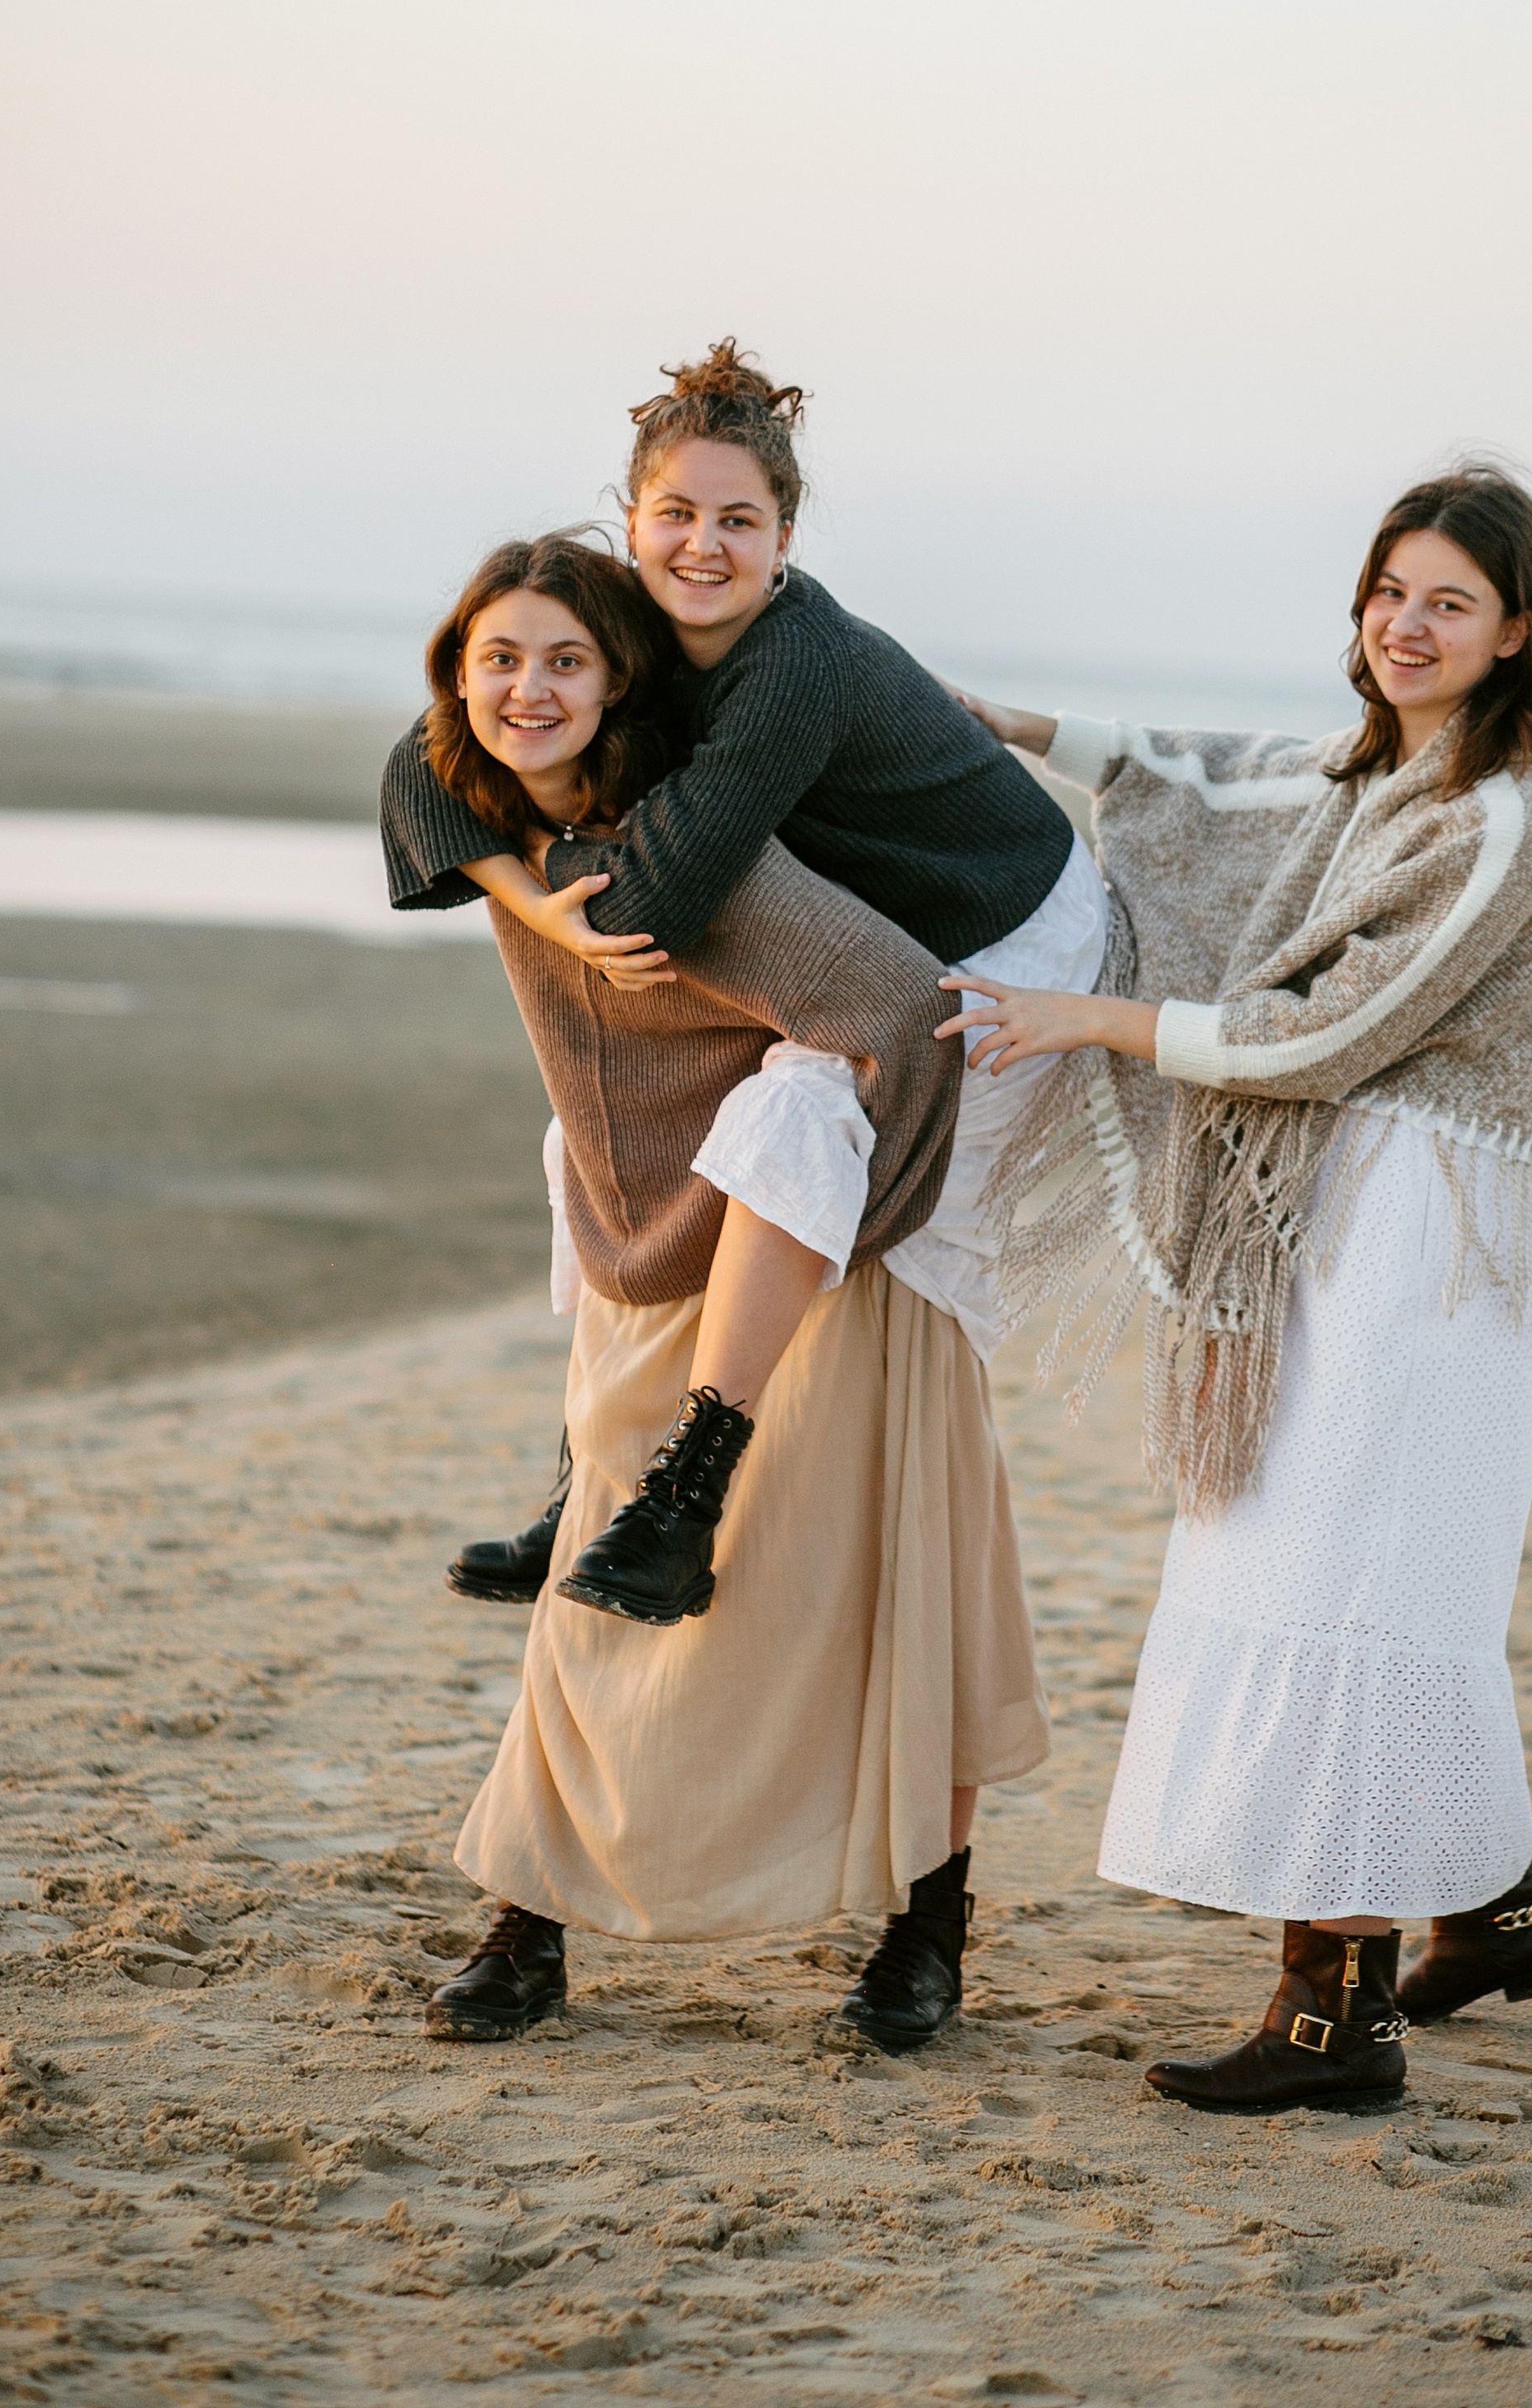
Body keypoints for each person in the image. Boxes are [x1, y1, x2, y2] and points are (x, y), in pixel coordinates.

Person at [937, 467, 1532, 2111]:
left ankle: (1334, 2018)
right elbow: (1202, 779)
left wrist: (1086, 1022)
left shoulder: (1497, 820)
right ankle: (1496, 1907)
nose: (1403, 623)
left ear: (1515, 630)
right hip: (1355, 1218)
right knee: (1371, 1572)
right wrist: (995, 721)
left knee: (1353, 1583)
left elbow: (1324, 1032)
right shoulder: (1375, 769)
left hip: (1430, 1249)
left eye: (1446, 600)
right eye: (1388, 589)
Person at [409, 530, 1048, 2053]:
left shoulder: (688, 854)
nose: (529, 687)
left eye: (567, 659)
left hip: (825, 1239)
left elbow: (902, 1006)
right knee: (598, 1597)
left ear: (622, 680)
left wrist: (876, 1220)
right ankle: (529, 1918)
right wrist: (538, 896)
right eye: (500, 659)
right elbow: (418, 778)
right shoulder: (481, 803)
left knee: (895, 1583)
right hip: (653, 1236)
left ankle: (928, 1928)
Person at [385, 344, 1107, 1625]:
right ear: (631, 520)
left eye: (739, 521)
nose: (702, 547)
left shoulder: (792, 663)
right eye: (675, 515)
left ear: (786, 536)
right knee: (612, 1132)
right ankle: (593, 1480)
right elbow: (429, 753)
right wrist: (523, 889)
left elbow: (657, 897)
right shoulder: (629, 619)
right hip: (869, 928)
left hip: (1007, 948)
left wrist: (568, 861)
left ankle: (681, 1509)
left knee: (788, 1122)